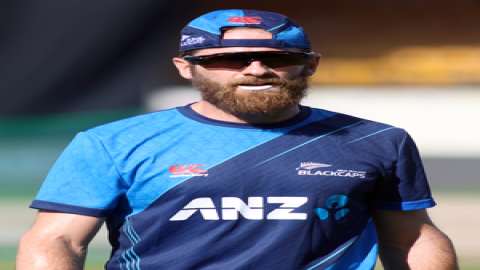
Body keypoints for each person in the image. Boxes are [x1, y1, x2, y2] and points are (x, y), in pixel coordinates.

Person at [17, 9, 458, 270]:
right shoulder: (111, 142)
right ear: (186, 67)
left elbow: (411, 238)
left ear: (311, 65)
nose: (255, 69)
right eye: (228, 58)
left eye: (278, 57)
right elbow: (56, 240)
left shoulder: (378, 140)